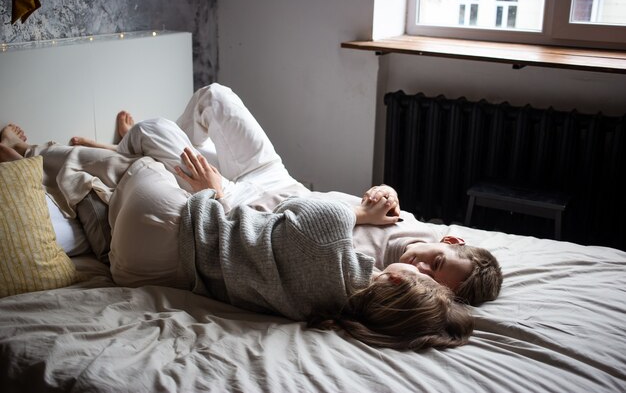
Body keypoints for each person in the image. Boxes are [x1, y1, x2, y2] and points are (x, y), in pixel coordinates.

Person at [1, 122, 474, 351]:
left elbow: (284, 211)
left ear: (393, 286)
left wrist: (360, 214)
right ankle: (56, 170)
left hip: (170, 224)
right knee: (110, 199)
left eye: (423, 280)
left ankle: (27, 157)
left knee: (138, 165)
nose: (416, 268)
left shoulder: (332, 235)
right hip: (145, 270)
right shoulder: (326, 311)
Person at [68, 83, 503, 306]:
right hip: (278, 179)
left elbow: (285, 239)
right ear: (450, 240)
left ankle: (128, 147)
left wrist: (219, 195)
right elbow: (380, 201)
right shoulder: (416, 225)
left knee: (152, 129)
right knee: (215, 97)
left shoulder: (379, 280)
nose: (421, 266)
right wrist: (383, 191)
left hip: (244, 202)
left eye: (431, 277)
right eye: (437, 260)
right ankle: (134, 148)